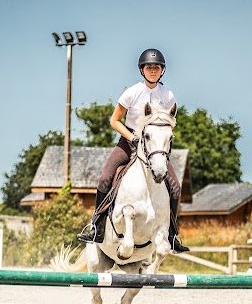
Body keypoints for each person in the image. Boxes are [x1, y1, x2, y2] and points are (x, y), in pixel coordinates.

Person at [76, 48, 189, 253]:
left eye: (157, 67)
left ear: (162, 70)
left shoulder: (168, 96)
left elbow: (170, 124)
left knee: (176, 188)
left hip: (154, 147)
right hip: (128, 142)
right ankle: (97, 227)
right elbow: (114, 120)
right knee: (104, 178)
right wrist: (133, 138)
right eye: (149, 67)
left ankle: (172, 234)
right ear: (142, 70)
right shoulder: (132, 92)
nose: (153, 70)